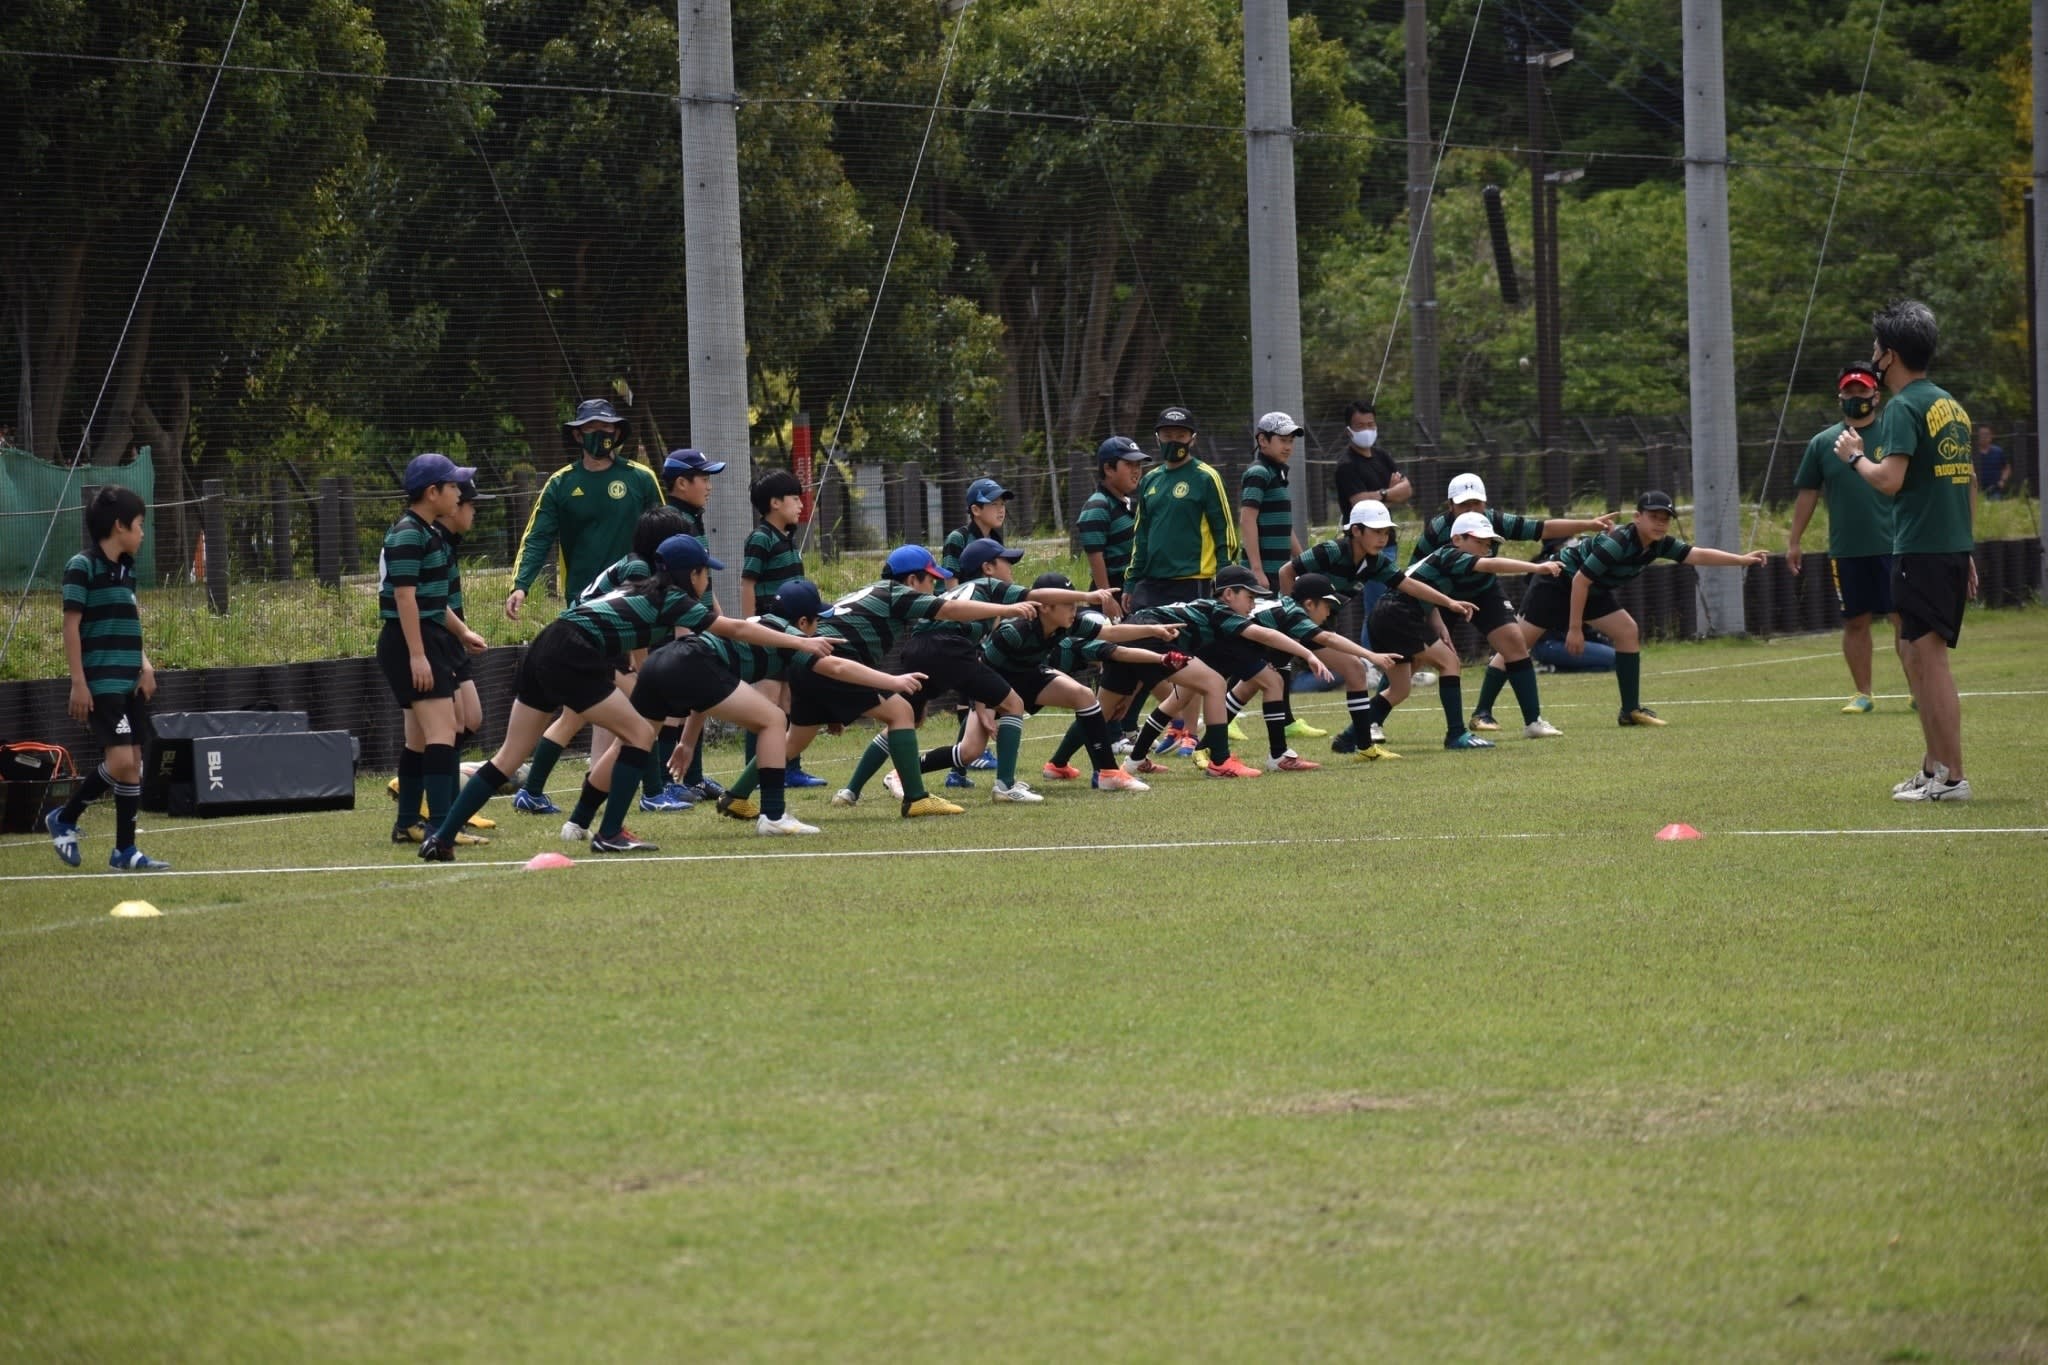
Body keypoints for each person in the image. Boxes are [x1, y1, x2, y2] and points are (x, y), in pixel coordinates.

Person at [423, 534, 805, 859]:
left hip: (546, 644)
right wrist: (800, 642)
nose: (708, 581)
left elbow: (629, 644)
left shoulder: (639, 588)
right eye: (707, 572)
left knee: (508, 757)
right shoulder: (673, 599)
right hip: (573, 652)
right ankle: (610, 834)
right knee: (639, 734)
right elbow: (736, 629)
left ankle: (441, 838)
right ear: (693, 574)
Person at [572, 580, 918, 837]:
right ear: (802, 623)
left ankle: (578, 821)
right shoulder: (790, 636)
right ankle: (773, 816)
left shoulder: (764, 622)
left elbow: (705, 694)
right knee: (773, 719)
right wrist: (893, 681)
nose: (819, 627)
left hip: (665, 661)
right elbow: (838, 667)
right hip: (694, 664)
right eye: (817, 619)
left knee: (628, 743)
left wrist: (687, 743)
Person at [718, 545, 1037, 818]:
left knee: (793, 741)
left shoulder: (876, 592)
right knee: (901, 713)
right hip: (831, 659)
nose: (935, 587)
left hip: (808, 661)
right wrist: (1008, 607)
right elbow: (951, 609)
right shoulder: (899, 594)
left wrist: (831, 707)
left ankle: (736, 795)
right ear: (912, 580)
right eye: (931, 579)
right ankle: (916, 798)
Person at [1834, 300, 1978, 802]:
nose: (1873, 355)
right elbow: (1965, 481)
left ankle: (1952, 778)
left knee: (1929, 663)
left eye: (1877, 347)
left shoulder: (1902, 407)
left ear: (1890, 355)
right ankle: (1933, 766)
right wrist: (1966, 546)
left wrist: (1855, 457)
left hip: (1922, 550)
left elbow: (1889, 479)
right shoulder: (1950, 404)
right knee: (1917, 658)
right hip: (1945, 547)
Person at [1477, 491, 1768, 729]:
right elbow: (1579, 580)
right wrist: (1575, 629)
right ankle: (1482, 713)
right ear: (1637, 518)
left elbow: (1697, 554)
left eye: (1665, 519)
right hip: (1556, 584)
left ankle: (1630, 711)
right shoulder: (1617, 543)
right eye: (1653, 517)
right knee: (1516, 646)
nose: (1660, 524)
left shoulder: (1658, 545)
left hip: (1590, 590)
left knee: (1627, 631)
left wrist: (1741, 559)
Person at [506, 505, 688, 816]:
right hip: (591, 643)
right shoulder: (640, 569)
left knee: (571, 719)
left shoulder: (639, 564)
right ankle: (654, 794)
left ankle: (531, 792)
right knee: (646, 708)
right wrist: (644, 672)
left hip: (580, 640)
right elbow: (635, 620)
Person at [1278, 499, 1473, 757]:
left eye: (1386, 532)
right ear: (1356, 530)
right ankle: (1359, 743)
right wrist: (1291, 617)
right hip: (1294, 623)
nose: (1383, 538)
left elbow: (1408, 584)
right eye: (1376, 531)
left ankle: (1359, 744)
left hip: (1319, 624)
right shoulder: (1332, 550)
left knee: (1354, 670)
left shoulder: (1375, 562)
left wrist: (1448, 602)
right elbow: (1286, 572)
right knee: (1258, 677)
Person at [46, 485, 168, 871]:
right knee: (120, 761)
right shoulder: (82, 566)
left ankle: (124, 852)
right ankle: (64, 817)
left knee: (132, 762)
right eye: (139, 524)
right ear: (119, 526)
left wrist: (145, 665)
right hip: (102, 683)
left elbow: (128, 622)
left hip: (129, 681)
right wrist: (78, 682)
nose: (143, 533)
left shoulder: (127, 569)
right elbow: (71, 628)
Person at [1787, 362, 1918, 715]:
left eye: (1862, 390)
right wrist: (1794, 541)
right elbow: (1808, 493)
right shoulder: (1823, 443)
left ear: (1876, 396)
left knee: (1902, 618)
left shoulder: (1894, 435)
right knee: (1855, 621)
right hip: (1847, 549)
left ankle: (1918, 690)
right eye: (1849, 391)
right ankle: (1863, 693)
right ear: (1840, 396)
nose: (1856, 396)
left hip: (1896, 546)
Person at [1372, 512, 1563, 751]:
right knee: (1447, 663)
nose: (1485, 548)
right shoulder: (1453, 555)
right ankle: (1455, 734)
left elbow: (1424, 591)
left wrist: (1440, 623)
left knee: (1402, 687)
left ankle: (1357, 731)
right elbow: (1491, 564)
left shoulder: (1444, 561)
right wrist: (1537, 567)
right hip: (1398, 614)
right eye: (1478, 541)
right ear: (1457, 539)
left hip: (1392, 613)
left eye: (1488, 543)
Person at [374, 454, 489, 848]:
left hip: (429, 636)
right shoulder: (409, 532)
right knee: (442, 732)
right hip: (411, 640)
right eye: (453, 486)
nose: (459, 493)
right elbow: (405, 598)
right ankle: (442, 828)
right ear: (432, 492)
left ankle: (409, 822)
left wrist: (462, 632)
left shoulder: (429, 533)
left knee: (422, 739)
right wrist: (417, 655)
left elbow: (433, 601)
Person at [505, 398, 663, 621]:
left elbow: (664, 534)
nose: (599, 433)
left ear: (617, 433)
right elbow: (537, 537)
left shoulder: (641, 478)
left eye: (606, 426)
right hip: (582, 596)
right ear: (578, 435)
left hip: (636, 593)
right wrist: (520, 585)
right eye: (591, 427)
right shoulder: (560, 483)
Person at [736, 469, 825, 789]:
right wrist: (751, 626)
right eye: (794, 498)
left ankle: (789, 767)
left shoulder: (786, 537)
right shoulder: (761, 537)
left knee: (789, 700)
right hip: (769, 631)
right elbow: (748, 583)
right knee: (766, 702)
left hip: (790, 633)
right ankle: (757, 772)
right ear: (774, 503)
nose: (801, 504)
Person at [1126, 405, 1238, 609]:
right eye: (1167, 435)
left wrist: (1225, 580)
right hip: (1153, 582)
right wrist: (1131, 581)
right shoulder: (1149, 480)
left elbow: (1225, 533)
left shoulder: (1207, 477)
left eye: (1181, 435)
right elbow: (1141, 536)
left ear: (1192, 439)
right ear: (1157, 438)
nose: (1173, 440)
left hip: (1194, 582)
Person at [1333, 400, 1413, 653]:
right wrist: (1388, 492)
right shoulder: (1347, 465)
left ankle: (1384, 657)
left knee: (1387, 603)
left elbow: (1406, 490)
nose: (1367, 430)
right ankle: (1371, 659)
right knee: (1377, 606)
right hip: (1362, 545)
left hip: (1387, 542)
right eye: (1360, 426)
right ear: (1349, 430)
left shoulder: (1382, 457)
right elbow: (1359, 502)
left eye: (1371, 424)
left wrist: (1379, 495)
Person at [1077, 437, 1149, 593]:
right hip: (1115, 590)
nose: (1136, 470)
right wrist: (1107, 598)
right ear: (1109, 469)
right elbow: (1095, 557)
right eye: (1129, 464)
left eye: (1138, 464)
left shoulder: (1129, 503)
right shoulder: (1098, 506)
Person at [940, 478, 1011, 576]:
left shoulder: (996, 540)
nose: (1001, 510)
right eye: (994, 504)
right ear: (976, 510)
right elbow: (950, 580)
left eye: (1002, 504)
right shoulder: (958, 538)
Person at [1972, 424, 2008, 500]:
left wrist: (2002, 480)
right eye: (1982, 434)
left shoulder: (1998, 451)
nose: (1984, 437)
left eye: (1986, 434)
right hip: (1977, 489)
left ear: (1991, 436)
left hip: (1995, 490)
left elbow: (2006, 468)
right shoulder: (1972, 453)